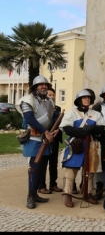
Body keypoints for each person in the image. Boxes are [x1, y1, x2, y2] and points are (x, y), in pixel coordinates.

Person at [59, 89, 105, 208]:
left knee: (89, 171)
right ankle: (68, 195)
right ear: (79, 100)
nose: (87, 99)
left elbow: (102, 128)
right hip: (76, 144)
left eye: (88, 98)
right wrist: (81, 131)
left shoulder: (95, 114)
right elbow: (66, 129)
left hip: (91, 145)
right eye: (84, 98)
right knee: (71, 171)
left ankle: (88, 193)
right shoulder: (71, 113)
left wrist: (91, 129)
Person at [15, 75, 59, 209]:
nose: (43, 86)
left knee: (41, 168)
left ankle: (35, 194)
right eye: (40, 85)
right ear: (35, 87)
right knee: (34, 168)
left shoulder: (49, 101)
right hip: (35, 138)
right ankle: (30, 197)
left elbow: (55, 116)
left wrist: (55, 129)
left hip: (47, 139)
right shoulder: (27, 100)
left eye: (45, 84)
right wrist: (45, 131)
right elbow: (29, 119)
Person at [37, 87, 63, 194]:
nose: (52, 97)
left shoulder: (57, 108)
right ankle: (41, 185)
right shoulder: (41, 108)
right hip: (44, 138)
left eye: (53, 95)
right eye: (49, 95)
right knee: (43, 163)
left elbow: (60, 122)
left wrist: (58, 130)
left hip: (55, 138)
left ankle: (53, 184)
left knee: (53, 163)